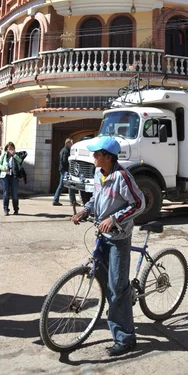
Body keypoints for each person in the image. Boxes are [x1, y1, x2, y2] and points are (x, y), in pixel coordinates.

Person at [72, 136, 145, 357]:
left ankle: (125, 338)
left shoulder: (122, 177)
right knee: (106, 283)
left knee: (117, 288)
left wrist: (114, 219)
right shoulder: (98, 173)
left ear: (108, 156)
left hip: (118, 238)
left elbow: (139, 203)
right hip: (102, 235)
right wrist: (85, 210)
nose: (93, 157)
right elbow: (96, 198)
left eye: (97, 154)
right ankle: (120, 310)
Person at [0, 142, 22, 216]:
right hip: (5, 176)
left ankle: (16, 209)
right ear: (7, 149)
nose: (11, 150)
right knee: (6, 194)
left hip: (14, 176)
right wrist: (4, 168)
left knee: (14, 194)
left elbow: (20, 161)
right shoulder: (4, 156)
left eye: (12, 148)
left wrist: (14, 155)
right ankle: (6, 209)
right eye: (9, 149)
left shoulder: (16, 156)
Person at [53, 138, 76, 207]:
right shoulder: (66, 151)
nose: (72, 144)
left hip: (64, 170)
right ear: (67, 143)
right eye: (71, 143)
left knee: (65, 185)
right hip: (65, 171)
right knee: (68, 185)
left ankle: (57, 200)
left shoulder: (64, 150)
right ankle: (72, 201)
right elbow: (64, 161)